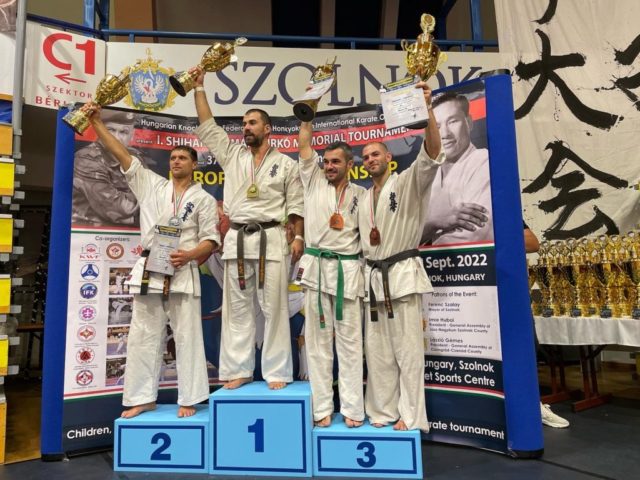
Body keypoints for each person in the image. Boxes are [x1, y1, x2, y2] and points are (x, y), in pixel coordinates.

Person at [85, 105, 220, 418]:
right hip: (150, 268)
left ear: (194, 164)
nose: (176, 162)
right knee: (143, 336)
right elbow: (122, 154)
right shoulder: (151, 185)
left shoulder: (204, 200)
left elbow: (211, 240)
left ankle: (190, 397)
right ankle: (142, 397)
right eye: (173, 158)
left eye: (182, 158)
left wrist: (190, 254)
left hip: (183, 268)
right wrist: (97, 124)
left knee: (187, 337)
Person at [193, 69, 304, 390]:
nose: (246, 128)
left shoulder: (286, 164)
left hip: (272, 238)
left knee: (274, 308)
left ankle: (277, 371)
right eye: (244, 124)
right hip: (238, 239)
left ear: (267, 129)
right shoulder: (232, 156)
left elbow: (296, 205)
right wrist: (199, 87)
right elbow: (207, 126)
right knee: (238, 309)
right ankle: (238, 370)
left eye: (252, 122)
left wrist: (298, 236)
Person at [359, 82, 444, 431]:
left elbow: (433, 152)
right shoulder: (363, 198)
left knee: (408, 352)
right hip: (373, 279)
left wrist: (427, 110)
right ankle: (381, 411)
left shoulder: (408, 182)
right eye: (365, 157)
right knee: (377, 352)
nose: (370, 160)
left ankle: (411, 416)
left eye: (375, 154)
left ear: (389, 158)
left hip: (403, 275)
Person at [297, 122, 366, 428]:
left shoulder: (362, 194)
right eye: (326, 161)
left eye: (336, 161)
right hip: (316, 270)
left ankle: (352, 408)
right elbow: (304, 145)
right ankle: (322, 407)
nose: (329, 166)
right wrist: (307, 116)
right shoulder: (313, 181)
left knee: (350, 344)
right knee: (317, 345)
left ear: (350, 165)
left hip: (347, 272)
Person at [421, 91, 492, 245]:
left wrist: (424, 239)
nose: (445, 134)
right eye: (437, 126)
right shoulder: (429, 176)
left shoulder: (484, 162)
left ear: (469, 122)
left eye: (452, 121)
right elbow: (406, 236)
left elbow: (473, 233)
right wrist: (435, 222)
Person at [524, 222, 570, 429]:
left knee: (526, 350)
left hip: (510, 292)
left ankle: (533, 405)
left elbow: (532, 243)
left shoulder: (500, 211)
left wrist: (493, 240)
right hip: (470, 291)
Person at [72, 109, 140, 227]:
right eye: (110, 130)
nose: (116, 137)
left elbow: (151, 191)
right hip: (91, 233)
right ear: (101, 131)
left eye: (124, 132)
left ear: (132, 135)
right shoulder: (87, 159)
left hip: (128, 233)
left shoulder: (135, 157)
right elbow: (118, 209)